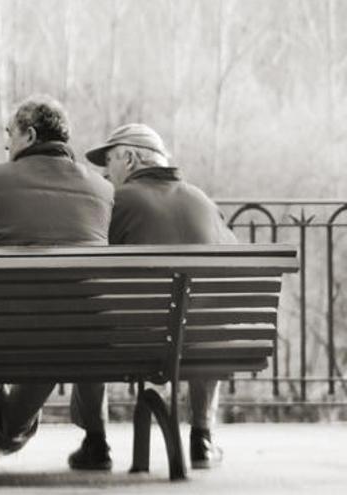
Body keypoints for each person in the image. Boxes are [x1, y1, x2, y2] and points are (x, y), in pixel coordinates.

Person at [0, 95, 114, 470]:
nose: (6, 144)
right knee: (59, 338)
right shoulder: (102, 189)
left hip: (0, 327)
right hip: (81, 332)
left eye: (9, 134)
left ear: (28, 134)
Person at [72, 123, 235, 470]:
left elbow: (86, 268)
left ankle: (96, 442)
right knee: (207, 322)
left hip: (130, 343)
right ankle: (202, 439)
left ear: (129, 158)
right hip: (194, 345)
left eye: (110, 161)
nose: (105, 171)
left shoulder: (114, 202)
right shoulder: (203, 202)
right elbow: (228, 282)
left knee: (84, 320)